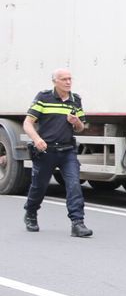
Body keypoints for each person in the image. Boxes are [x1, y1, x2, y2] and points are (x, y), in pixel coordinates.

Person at [23, 69, 93, 238]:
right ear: (55, 81)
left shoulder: (75, 100)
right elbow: (27, 123)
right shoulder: (44, 97)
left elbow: (81, 128)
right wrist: (37, 139)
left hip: (67, 151)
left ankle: (77, 223)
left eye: (70, 79)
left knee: (74, 185)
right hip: (46, 151)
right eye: (64, 79)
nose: (68, 82)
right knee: (39, 186)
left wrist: (76, 122)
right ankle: (31, 213)